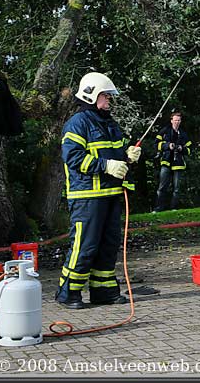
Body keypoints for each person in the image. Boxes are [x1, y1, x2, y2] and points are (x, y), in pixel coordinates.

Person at [55, 72, 141, 309]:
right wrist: (106, 165)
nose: (108, 100)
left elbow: (114, 157)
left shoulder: (109, 123)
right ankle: (68, 292)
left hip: (111, 194)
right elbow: (73, 157)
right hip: (87, 197)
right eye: (105, 95)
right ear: (91, 95)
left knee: (108, 245)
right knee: (85, 246)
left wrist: (127, 156)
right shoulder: (78, 123)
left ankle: (103, 291)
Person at [153, 111, 192, 212]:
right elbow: (156, 144)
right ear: (171, 121)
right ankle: (158, 208)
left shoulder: (183, 134)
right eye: (175, 120)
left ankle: (174, 208)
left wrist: (180, 148)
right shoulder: (165, 131)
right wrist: (167, 146)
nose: (177, 122)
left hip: (178, 163)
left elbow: (189, 149)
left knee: (177, 188)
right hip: (166, 161)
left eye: (178, 120)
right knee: (162, 187)